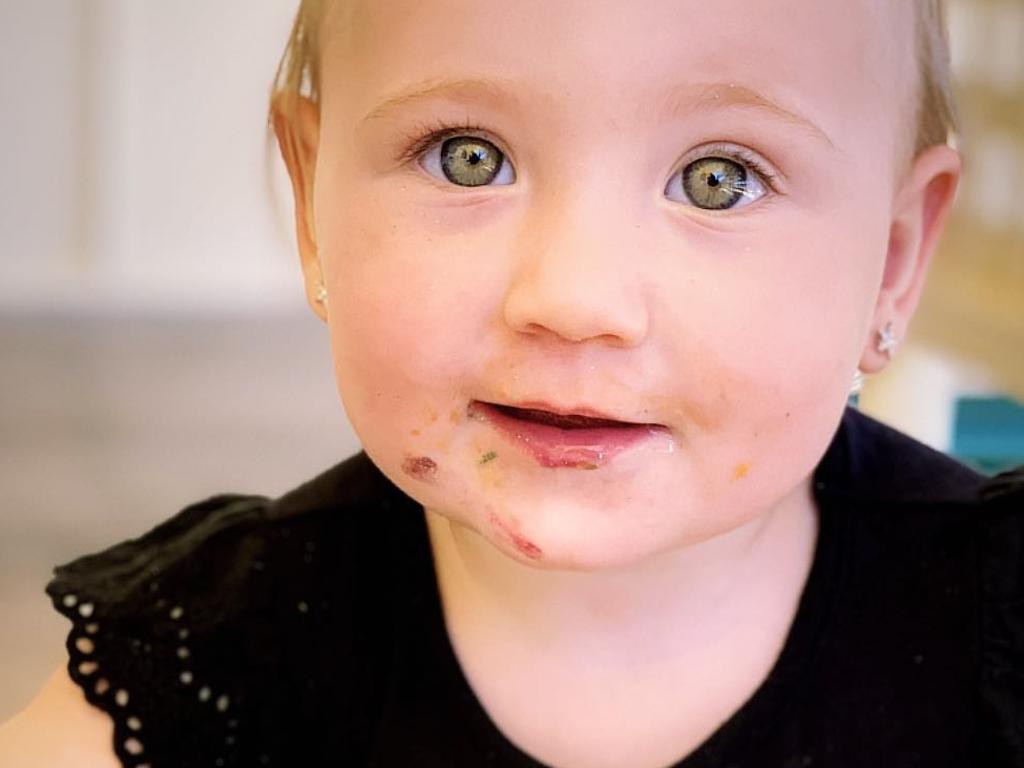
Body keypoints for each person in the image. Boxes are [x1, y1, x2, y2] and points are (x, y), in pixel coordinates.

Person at [1, 0, 1022, 765]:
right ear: (313, 202)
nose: (575, 299)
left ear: (889, 260)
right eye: (467, 157)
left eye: (720, 178)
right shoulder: (210, 666)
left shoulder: (995, 630)